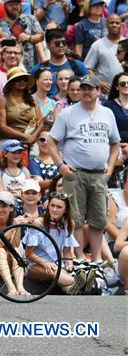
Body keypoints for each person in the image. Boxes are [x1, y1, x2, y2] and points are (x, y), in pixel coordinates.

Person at [48, 74, 119, 263]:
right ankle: (79, 259)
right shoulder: (67, 113)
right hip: (75, 173)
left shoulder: (107, 113)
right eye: (83, 88)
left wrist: (110, 168)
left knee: (98, 220)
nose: (86, 92)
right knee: (75, 219)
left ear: (98, 91)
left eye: (90, 88)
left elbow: (115, 144)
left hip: (99, 175)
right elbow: (51, 141)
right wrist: (60, 166)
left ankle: (96, 261)